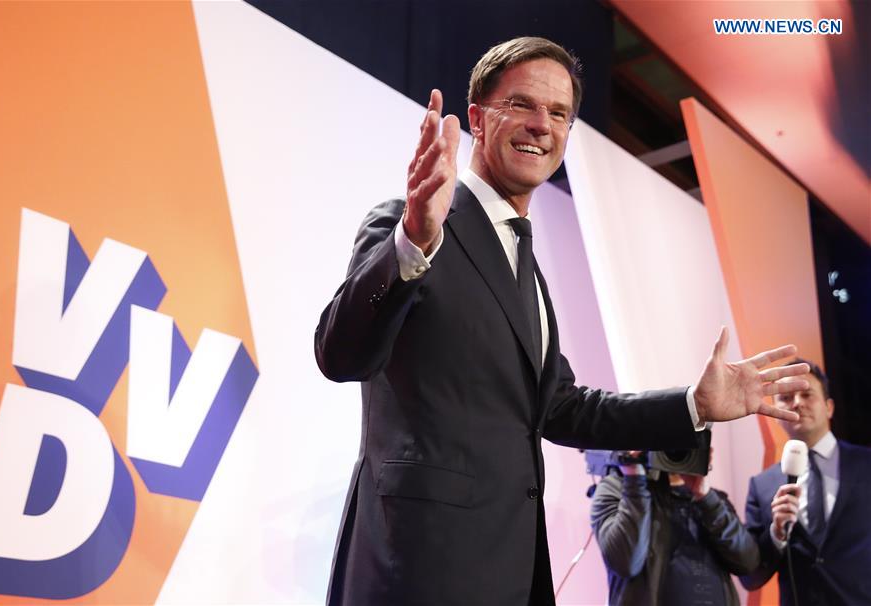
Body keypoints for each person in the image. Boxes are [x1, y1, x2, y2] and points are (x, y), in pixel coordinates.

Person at [315, 36, 807, 606]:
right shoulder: (412, 225)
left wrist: (694, 404)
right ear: (476, 117)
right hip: (419, 570)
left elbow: (563, 408)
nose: (541, 126)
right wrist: (412, 244)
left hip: (513, 572)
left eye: (558, 113)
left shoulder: (526, 267)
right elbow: (341, 353)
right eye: (521, 104)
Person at [739, 359, 871, 605]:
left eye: (806, 394)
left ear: (829, 407)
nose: (797, 403)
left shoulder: (866, 464)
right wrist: (776, 534)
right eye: (786, 398)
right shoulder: (762, 485)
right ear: (776, 414)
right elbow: (751, 576)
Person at [590, 446, 759, 606]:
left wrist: (705, 496)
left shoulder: (710, 499)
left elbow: (747, 562)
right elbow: (627, 562)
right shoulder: (616, 490)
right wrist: (634, 481)